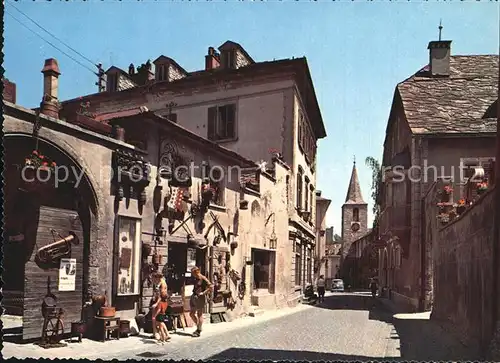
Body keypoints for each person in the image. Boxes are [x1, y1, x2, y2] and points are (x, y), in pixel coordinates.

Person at [189, 266, 213, 337]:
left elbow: (211, 286)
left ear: (196, 272)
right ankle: (199, 327)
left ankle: (198, 331)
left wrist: (204, 293)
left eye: (192, 273)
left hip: (200, 297)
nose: (192, 274)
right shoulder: (195, 278)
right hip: (194, 296)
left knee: (199, 314)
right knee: (191, 314)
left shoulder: (203, 278)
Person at [151, 272, 168, 340]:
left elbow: (161, 295)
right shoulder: (159, 283)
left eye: (154, 278)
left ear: (157, 277)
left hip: (160, 303)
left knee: (155, 318)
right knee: (158, 319)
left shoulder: (162, 284)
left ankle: (157, 334)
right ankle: (166, 334)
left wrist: (156, 303)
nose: (153, 280)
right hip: (158, 301)